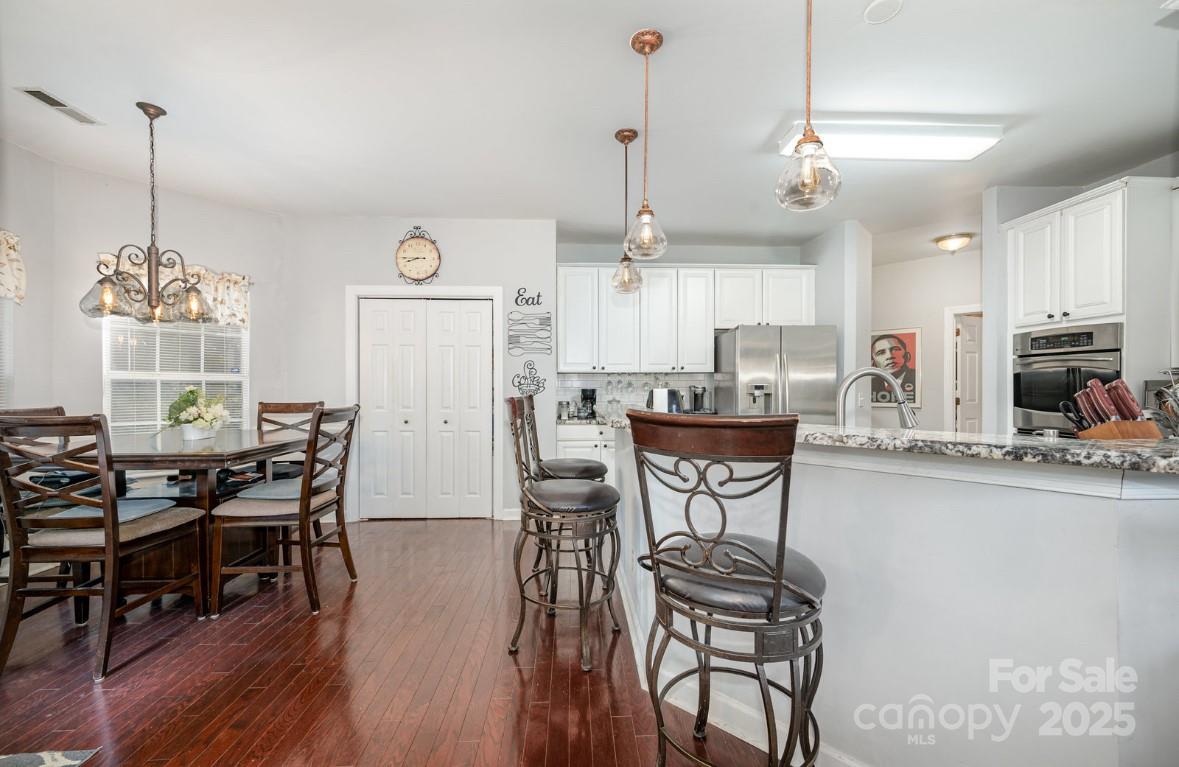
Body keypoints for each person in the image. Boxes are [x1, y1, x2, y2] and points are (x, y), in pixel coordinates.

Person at [871, 334, 916, 404]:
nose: (890, 356)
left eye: (895, 349)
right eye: (881, 353)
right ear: (874, 364)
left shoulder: (916, 378)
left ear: (907, 356)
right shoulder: (871, 385)